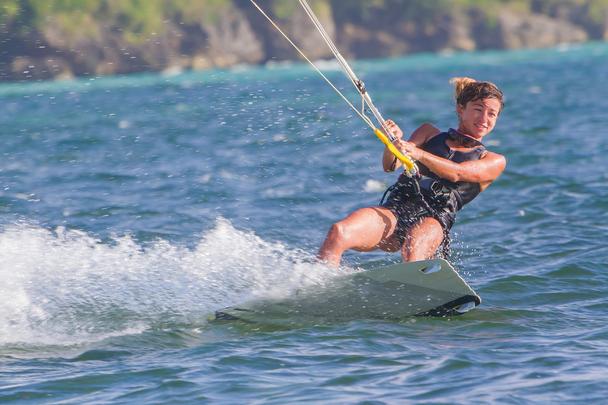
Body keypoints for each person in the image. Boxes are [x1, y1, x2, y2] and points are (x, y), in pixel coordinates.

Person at [318, 77, 507, 267]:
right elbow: (390, 166)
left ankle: (416, 287)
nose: (484, 119)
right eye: (478, 109)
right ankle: (321, 286)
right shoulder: (428, 132)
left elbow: (457, 173)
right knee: (339, 232)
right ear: (460, 108)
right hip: (396, 207)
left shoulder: (493, 160)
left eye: (492, 114)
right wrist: (393, 144)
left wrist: (417, 153)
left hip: (434, 217)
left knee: (412, 249)